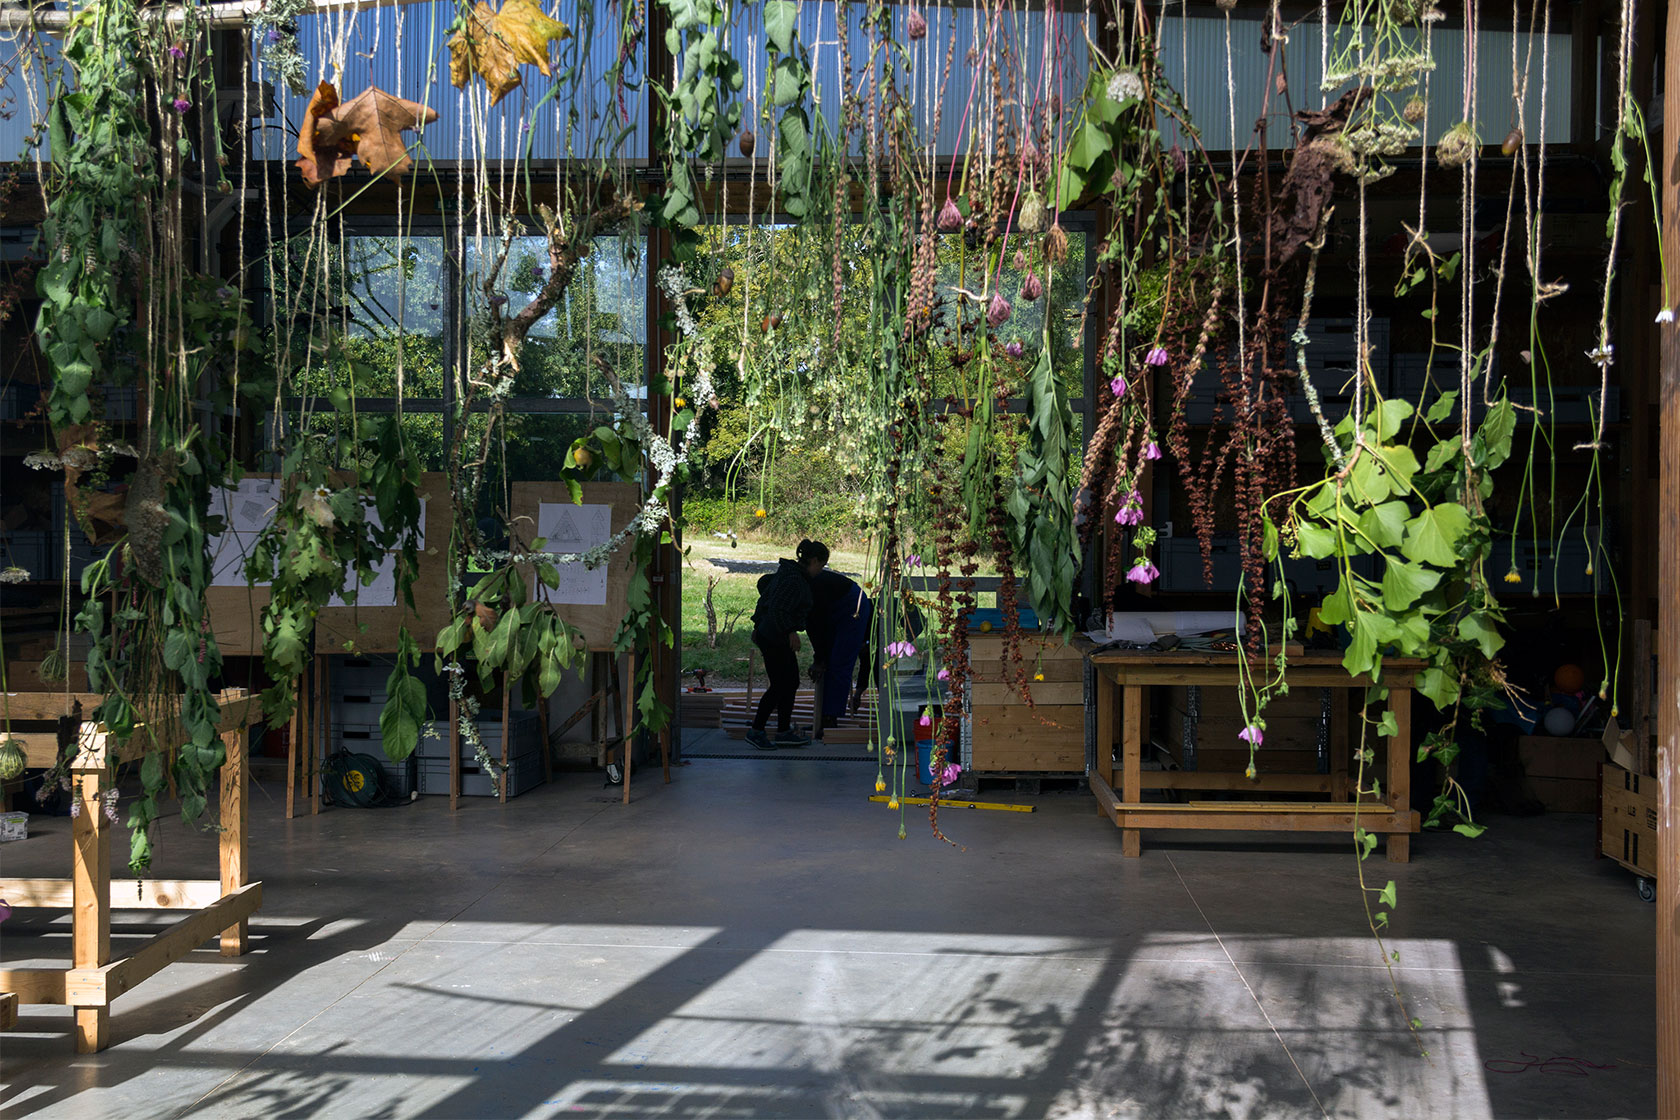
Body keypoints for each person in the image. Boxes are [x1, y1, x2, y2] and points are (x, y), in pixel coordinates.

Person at [746, 539, 828, 749]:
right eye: (821, 565)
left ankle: (783, 731)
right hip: (774, 636)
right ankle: (756, 730)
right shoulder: (794, 579)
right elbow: (778, 608)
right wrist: (791, 631)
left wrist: (758, 624)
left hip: (771, 633)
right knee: (781, 684)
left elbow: (765, 597)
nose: (821, 570)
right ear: (814, 560)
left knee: (790, 682)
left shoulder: (790, 573)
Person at [806, 568, 872, 736]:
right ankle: (822, 717)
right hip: (834, 607)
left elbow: (815, 628)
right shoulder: (801, 593)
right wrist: (820, 658)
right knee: (828, 662)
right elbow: (816, 630)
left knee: (838, 663)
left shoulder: (808, 594)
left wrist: (819, 659)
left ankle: (830, 718)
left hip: (851, 606)